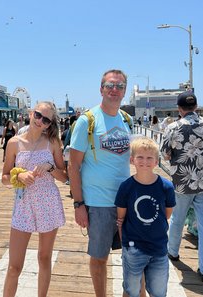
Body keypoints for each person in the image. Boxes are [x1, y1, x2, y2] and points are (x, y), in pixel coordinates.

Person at [68, 69, 133, 296]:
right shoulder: (87, 121)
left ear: (125, 90)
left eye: (120, 86)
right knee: (99, 258)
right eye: (110, 86)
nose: (114, 90)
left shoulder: (127, 119)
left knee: (133, 257)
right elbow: (73, 165)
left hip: (127, 201)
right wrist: (79, 205)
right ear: (101, 89)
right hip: (98, 203)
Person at [1, 101, 67, 297]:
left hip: (48, 203)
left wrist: (50, 167)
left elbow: (64, 178)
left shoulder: (53, 142)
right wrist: (18, 176)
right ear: (31, 113)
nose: (40, 121)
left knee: (44, 258)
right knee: (14, 267)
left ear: (49, 124)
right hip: (23, 205)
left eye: (46, 119)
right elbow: (4, 177)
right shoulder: (14, 143)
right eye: (38, 115)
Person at [161, 91, 203, 284]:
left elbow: (165, 154)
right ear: (196, 107)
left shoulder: (174, 127)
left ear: (179, 109)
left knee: (177, 218)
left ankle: (173, 252)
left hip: (182, 184)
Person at [115, 137, 176, 297]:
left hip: (159, 248)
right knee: (131, 290)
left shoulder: (166, 187)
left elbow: (166, 214)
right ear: (132, 160)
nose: (145, 161)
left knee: (158, 291)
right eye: (140, 157)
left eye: (150, 158)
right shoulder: (126, 187)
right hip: (134, 248)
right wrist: (126, 244)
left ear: (156, 161)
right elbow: (121, 218)